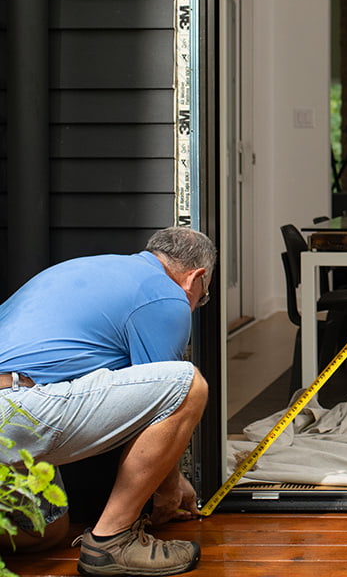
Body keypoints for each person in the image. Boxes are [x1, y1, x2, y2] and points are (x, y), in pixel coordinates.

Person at [0, 227, 215, 576]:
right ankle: (112, 543)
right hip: (13, 406)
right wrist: (170, 488)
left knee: (43, 530)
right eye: (202, 298)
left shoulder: (86, 269)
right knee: (189, 385)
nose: (195, 306)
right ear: (196, 278)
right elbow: (165, 404)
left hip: (15, 405)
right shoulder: (166, 296)